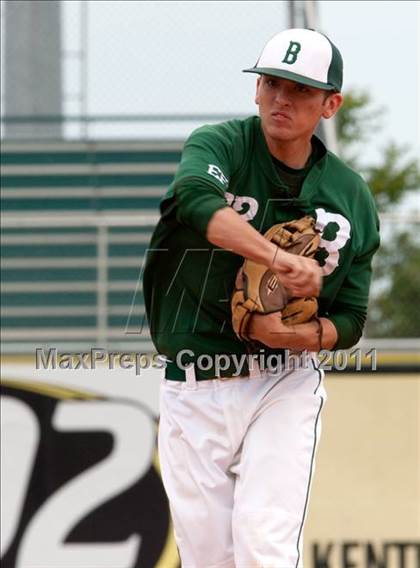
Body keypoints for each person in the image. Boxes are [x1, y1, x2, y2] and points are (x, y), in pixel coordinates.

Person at [143, 28, 380, 568]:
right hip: (193, 382)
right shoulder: (220, 144)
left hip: (283, 382)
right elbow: (196, 200)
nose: (281, 98)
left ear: (330, 103)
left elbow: (352, 317)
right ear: (256, 91)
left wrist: (300, 336)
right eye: (272, 82)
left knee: (262, 545)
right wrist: (278, 260)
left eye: (299, 89)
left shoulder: (350, 196)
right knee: (208, 558)